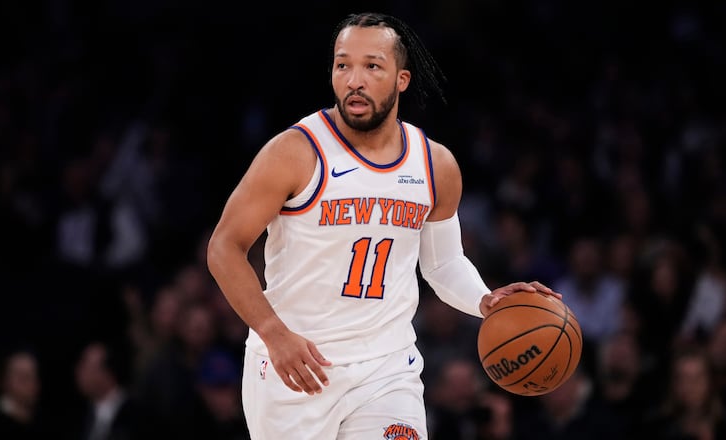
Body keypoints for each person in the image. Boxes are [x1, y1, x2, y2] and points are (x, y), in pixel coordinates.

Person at [206, 11, 560, 439]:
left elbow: (443, 264)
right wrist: (273, 334)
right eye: (343, 65)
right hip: (295, 366)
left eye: (372, 66)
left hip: (386, 367)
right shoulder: (294, 153)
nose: (354, 79)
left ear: (401, 80)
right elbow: (224, 248)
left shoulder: (435, 165)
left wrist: (485, 301)